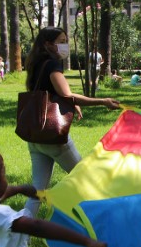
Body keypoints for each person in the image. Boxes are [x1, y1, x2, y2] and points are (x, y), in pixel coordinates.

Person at [23, 27, 121, 216]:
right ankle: (100, 218)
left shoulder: (35, 63)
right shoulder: (52, 65)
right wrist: (103, 101)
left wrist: (70, 104)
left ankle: (21, 232)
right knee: (85, 179)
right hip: (53, 138)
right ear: (48, 44)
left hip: (35, 137)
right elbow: (66, 94)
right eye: (61, 41)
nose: (65, 45)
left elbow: (47, 93)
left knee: (36, 190)